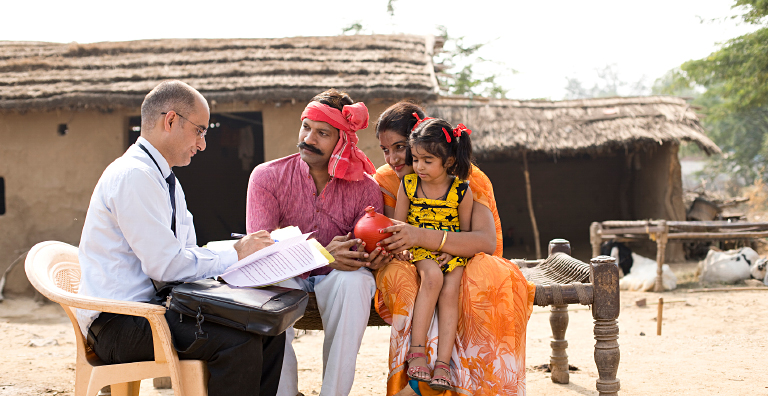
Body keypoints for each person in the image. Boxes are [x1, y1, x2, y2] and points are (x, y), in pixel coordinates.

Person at [76, 80, 285, 396]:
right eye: (200, 130)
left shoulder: (164, 178)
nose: (202, 144)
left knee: (268, 328)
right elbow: (167, 267)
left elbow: (187, 252)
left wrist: (241, 249)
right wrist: (236, 253)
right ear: (170, 120)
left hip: (154, 311)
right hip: (120, 324)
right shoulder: (134, 176)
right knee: (239, 341)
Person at [374, 101, 536, 396]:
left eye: (400, 147)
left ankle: (457, 381)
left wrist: (427, 239)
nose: (394, 158)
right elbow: (389, 232)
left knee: (477, 284)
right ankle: (417, 374)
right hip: (410, 260)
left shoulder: (468, 180)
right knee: (409, 282)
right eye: (385, 150)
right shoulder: (387, 179)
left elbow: (484, 242)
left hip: (462, 257)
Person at [246, 89, 386, 396]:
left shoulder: (365, 187)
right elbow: (262, 252)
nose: (309, 138)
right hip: (289, 277)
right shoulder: (267, 177)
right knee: (269, 279)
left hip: (337, 280)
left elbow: (361, 249)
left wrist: (369, 256)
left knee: (357, 282)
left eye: (322, 133)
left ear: (343, 140)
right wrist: (322, 255)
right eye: (306, 127)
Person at [392, 116, 474, 391]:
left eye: (427, 160)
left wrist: (452, 253)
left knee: (452, 290)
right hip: (418, 249)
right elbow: (399, 224)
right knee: (433, 279)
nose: (419, 166)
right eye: (416, 159)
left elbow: (464, 233)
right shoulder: (409, 185)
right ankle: (417, 352)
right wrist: (403, 248)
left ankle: (442, 364)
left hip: (449, 250)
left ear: (449, 161)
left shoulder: (462, 191)